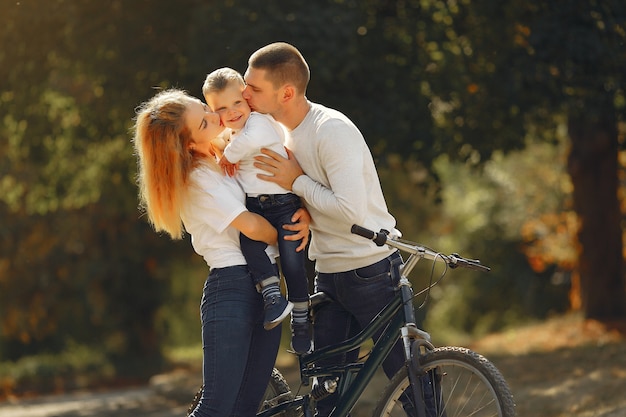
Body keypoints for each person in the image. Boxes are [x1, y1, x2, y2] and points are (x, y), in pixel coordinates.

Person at [242, 42, 406, 417]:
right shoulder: (278, 136)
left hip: (371, 271)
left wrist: (297, 183)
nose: (245, 93)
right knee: (326, 394)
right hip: (328, 275)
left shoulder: (331, 130)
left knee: (408, 380)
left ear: (285, 93)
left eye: (254, 88)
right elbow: (315, 200)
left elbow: (352, 211)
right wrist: (305, 212)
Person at [131, 88, 310, 416]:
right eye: (203, 123)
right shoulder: (197, 178)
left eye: (204, 109)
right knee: (215, 407)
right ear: (186, 144)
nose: (216, 117)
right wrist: (291, 233)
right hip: (233, 288)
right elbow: (253, 227)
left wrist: (302, 215)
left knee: (245, 407)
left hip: (265, 283)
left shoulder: (225, 154)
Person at [202, 67, 311, 354]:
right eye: (221, 108)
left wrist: (228, 154)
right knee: (250, 246)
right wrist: (222, 145)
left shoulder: (260, 122)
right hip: (257, 206)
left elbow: (247, 144)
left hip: (283, 204)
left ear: (247, 98)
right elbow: (225, 140)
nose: (232, 112)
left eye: (237, 102)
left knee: (292, 263)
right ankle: (273, 296)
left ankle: (302, 316)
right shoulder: (232, 132)